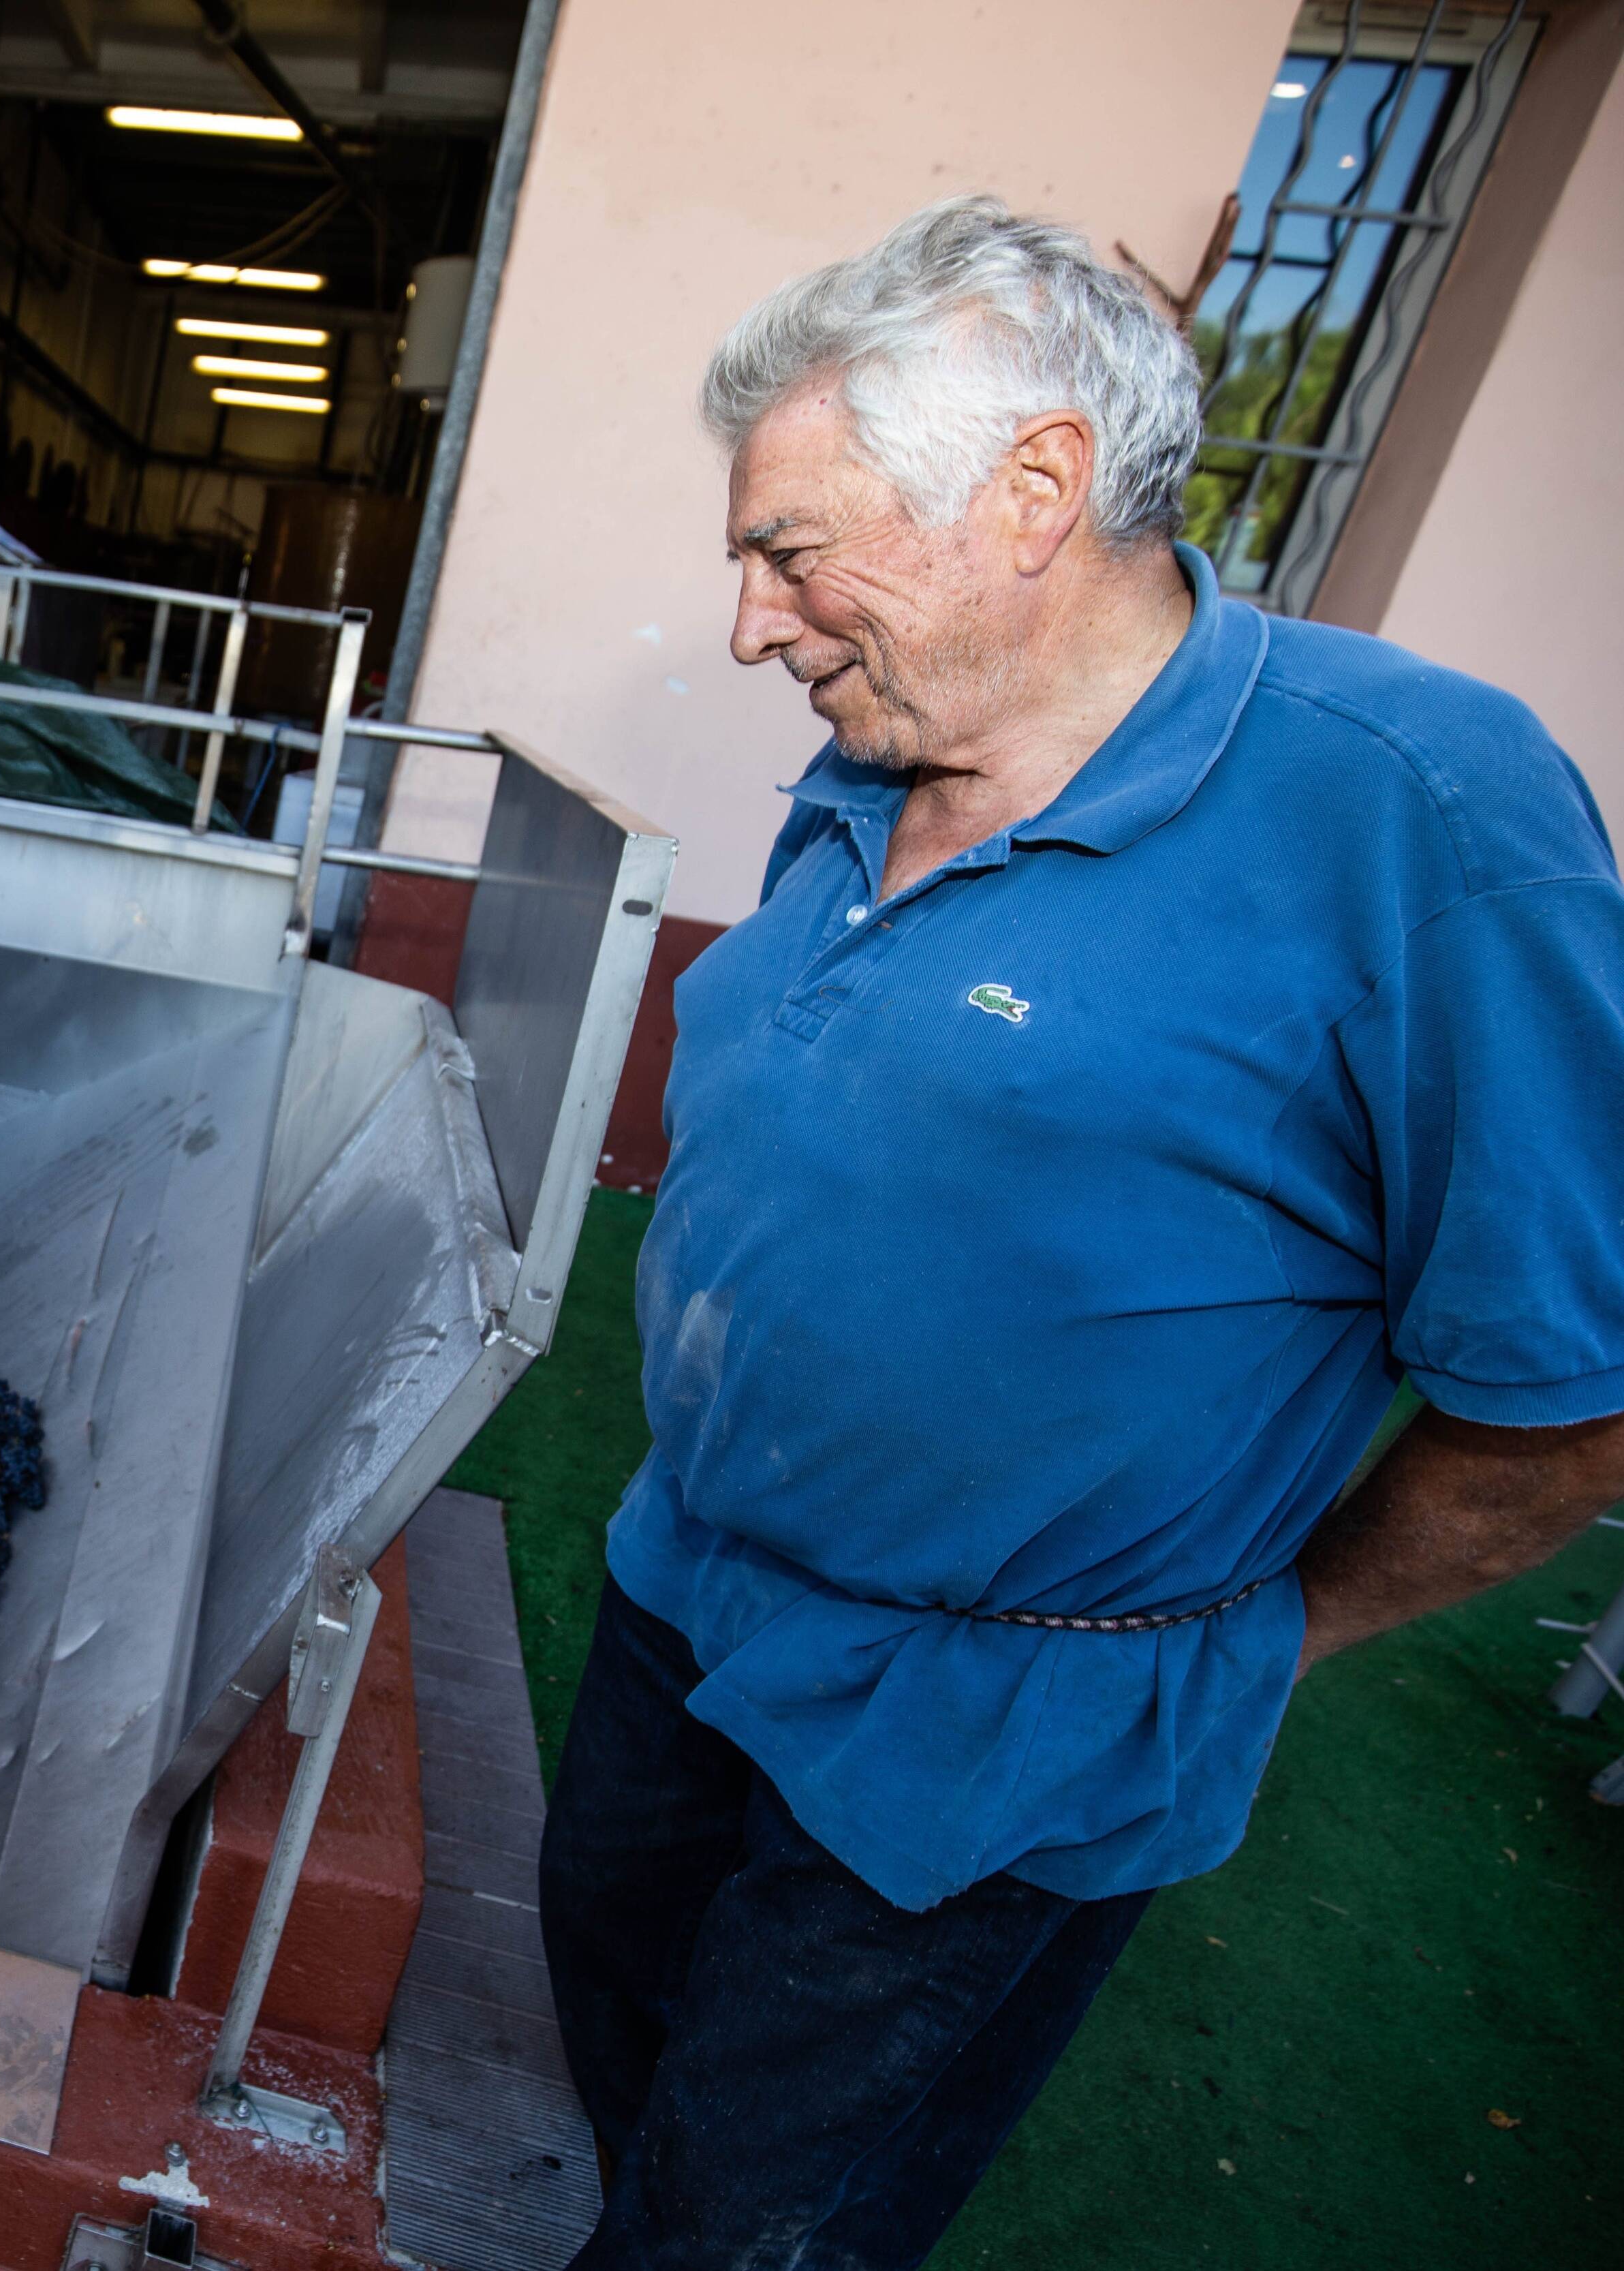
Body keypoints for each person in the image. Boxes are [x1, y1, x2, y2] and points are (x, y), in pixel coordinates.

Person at [535, 194, 1624, 2270]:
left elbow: (1570, 1400)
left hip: (999, 1732)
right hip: (684, 1604)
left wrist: (1267, 1629)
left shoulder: (1418, 805)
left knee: (744, 2223)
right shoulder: (864, 760)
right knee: (619, 2052)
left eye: (787, 551)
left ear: (1031, 490)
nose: (752, 622)